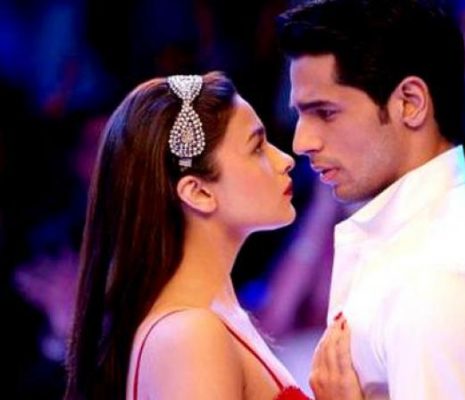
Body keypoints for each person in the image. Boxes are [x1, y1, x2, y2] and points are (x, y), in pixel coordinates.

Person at [277, 0, 465, 398]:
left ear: (410, 103)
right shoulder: (420, 249)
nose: (302, 142)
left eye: (325, 113)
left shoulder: (445, 277)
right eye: (301, 115)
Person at [64, 71, 352, 399]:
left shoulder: (210, 319)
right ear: (198, 192)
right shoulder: (190, 335)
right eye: (257, 147)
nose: (285, 159)